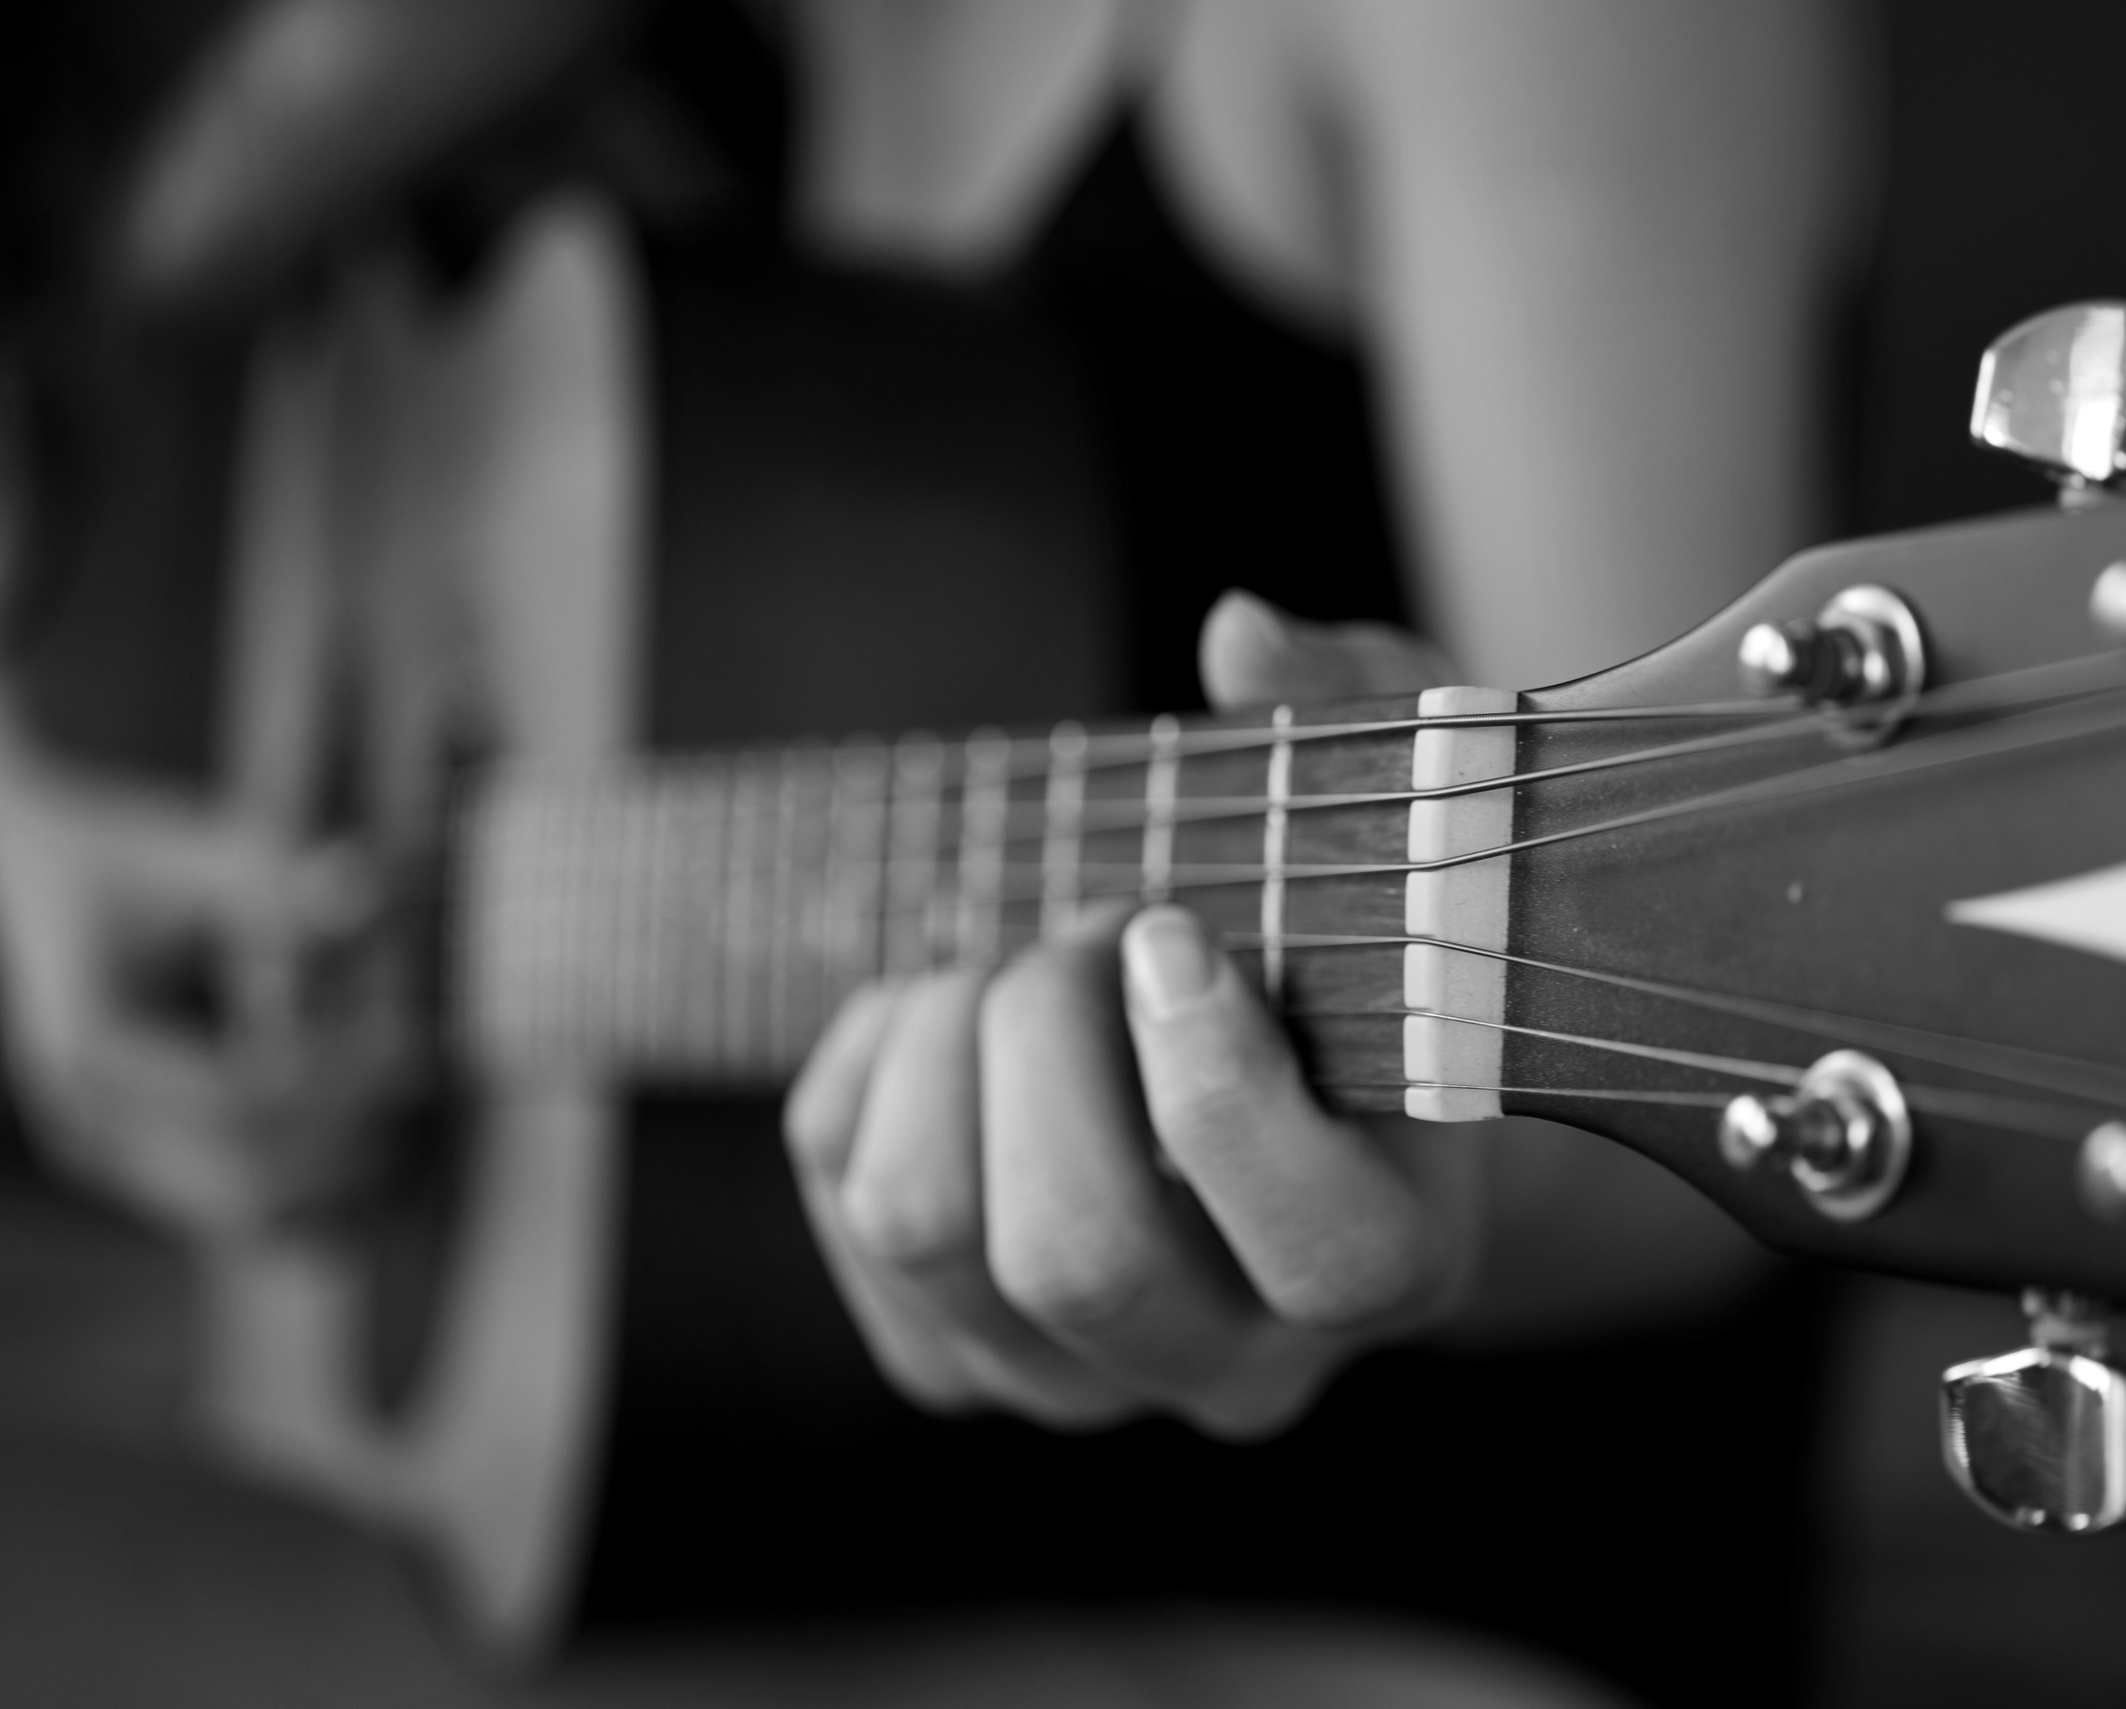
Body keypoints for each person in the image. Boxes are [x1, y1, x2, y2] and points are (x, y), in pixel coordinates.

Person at [0, 0, 1866, 1698]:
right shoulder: (602, 93)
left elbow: (1724, 1014)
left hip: (1418, 1590)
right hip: (793, 1528)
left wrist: (1369, 1191)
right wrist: (32, 850)